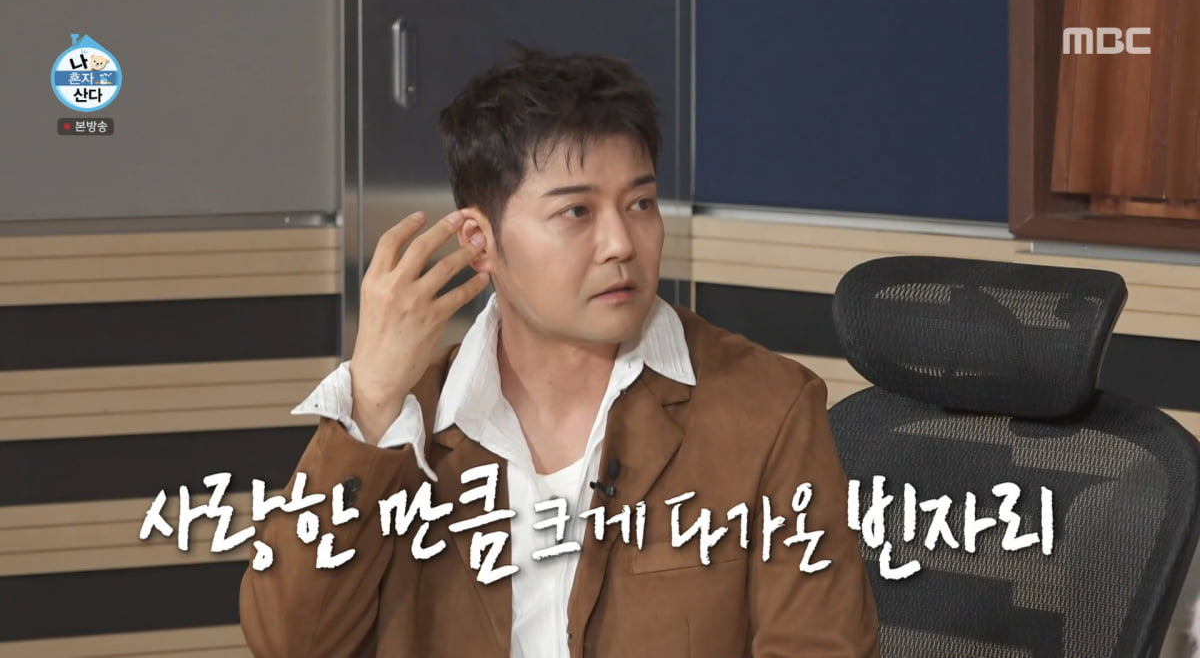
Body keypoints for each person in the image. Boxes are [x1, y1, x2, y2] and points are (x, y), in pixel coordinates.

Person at [239, 46, 879, 658]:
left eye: (640, 203)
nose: (621, 243)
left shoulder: (766, 409)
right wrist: (372, 401)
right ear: (479, 242)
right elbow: (291, 643)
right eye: (577, 212)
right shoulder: (408, 423)